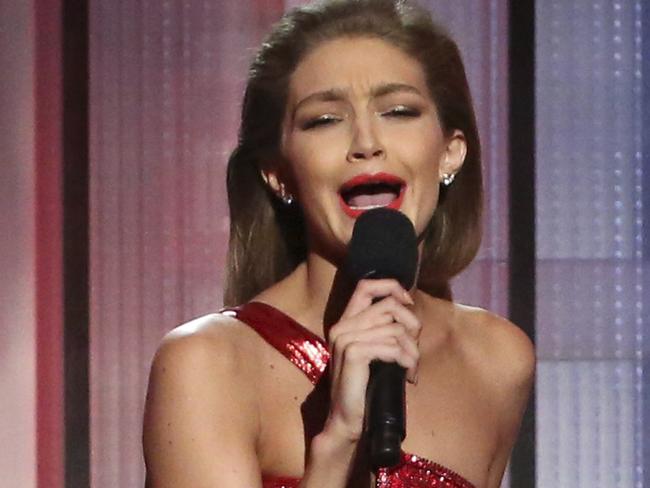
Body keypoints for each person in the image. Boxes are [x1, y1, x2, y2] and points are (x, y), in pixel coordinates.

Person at [142, 0, 535, 486]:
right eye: (324, 120)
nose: (366, 142)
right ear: (278, 173)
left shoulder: (497, 359)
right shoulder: (207, 365)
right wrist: (339, 442)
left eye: (398, 111)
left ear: (449, 153)